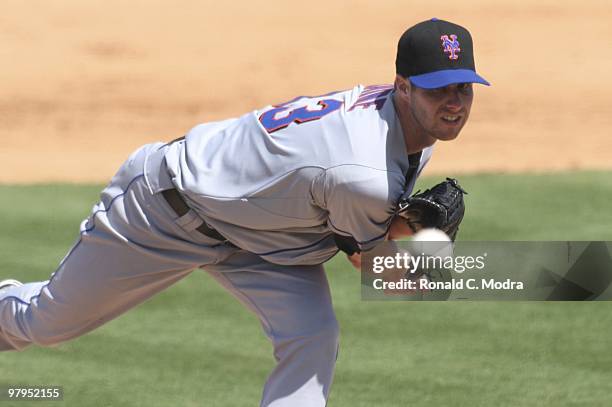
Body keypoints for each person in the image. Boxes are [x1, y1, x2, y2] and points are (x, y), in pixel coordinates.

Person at [0, 18, 488, 406]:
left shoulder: (411, 133)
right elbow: (373, 267)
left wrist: (407, 237)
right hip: (164, 209)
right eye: (437, 90)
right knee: (47, 324)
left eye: (463, 89)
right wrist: (427, 249)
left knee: (312, 336)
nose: (453, 104)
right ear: (402, 87)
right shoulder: (362, 171)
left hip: (262, 237)